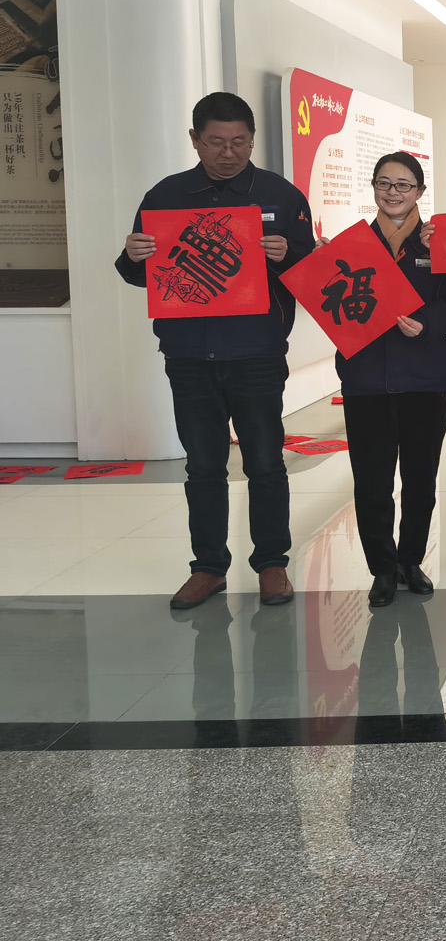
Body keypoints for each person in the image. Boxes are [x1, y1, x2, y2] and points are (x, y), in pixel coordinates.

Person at [116, 92, 315, 609]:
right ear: (195, 140)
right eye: (216, 143)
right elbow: (139, 273)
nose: (229, 153)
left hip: (257, 353)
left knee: (265, 463)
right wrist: (133, 255)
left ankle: (272, 563)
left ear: (253, 140)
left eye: (240, 143)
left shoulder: (282, 195)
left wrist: (287, 254)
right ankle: (208, 567)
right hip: (188, 355)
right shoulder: (165, 196)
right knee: (203, 466)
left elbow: (312, 272)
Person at [339, 153, 446, 609]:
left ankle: (411, 560)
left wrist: (427, 323)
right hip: (366, 381)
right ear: (374, 187)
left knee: (420, 479)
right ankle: (382, 568)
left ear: (420, 191)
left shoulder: (437, 243)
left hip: (425, 379)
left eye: (404, 184)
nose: (393, 192)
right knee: (372, 482)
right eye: (384, 183)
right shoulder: (352, 245)